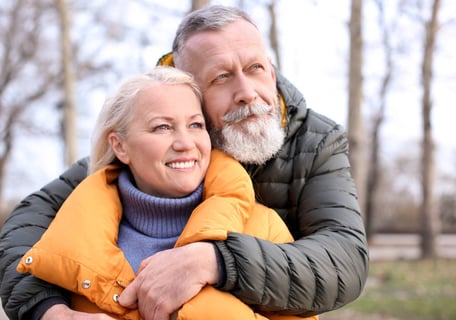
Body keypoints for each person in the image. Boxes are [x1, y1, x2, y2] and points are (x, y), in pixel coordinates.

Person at [0, 4, 369, 320]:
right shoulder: (143, 150)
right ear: (189, 92)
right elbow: (28, 224)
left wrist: (215, 261)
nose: (246, 93)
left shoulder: (316, 142)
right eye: (222, 77)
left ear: (271, 72)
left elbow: (345, 260)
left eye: (255, 68)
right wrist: (47, 308)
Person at [15, 66, 317, 320]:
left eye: (195, 125)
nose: (186, 143)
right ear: (120, 146)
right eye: (162, 128)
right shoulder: (69, 241)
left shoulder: (263, 229)